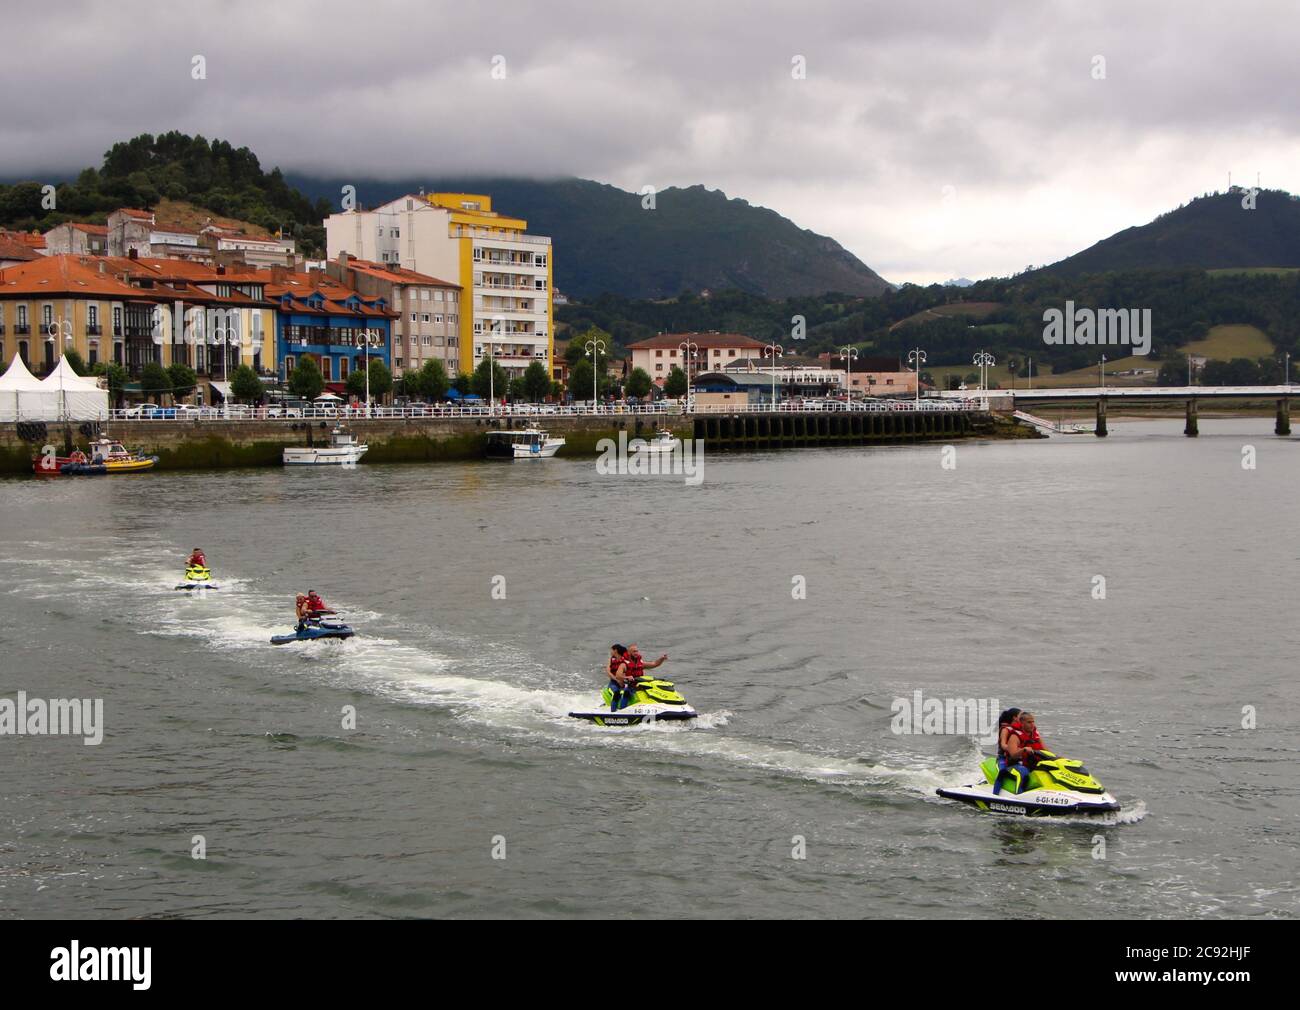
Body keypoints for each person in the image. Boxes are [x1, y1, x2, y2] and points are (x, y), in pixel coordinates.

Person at [992, 707, 1033, 795]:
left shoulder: (1020, 730)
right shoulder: (1005, 729)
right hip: (1003, 758)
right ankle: (995, 795)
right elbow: (1003, 745)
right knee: (1002, 774)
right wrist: (1013, 749)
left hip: (1016, 758)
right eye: (1020, 715)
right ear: (1015, 718)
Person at [607, 644, 632, 711]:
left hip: (624, 683)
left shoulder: (625, 661)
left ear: (615, 650)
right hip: (613, 683)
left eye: (611, 650)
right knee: (616, 693)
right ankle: (613, 712)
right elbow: (608, 672)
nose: (610, 652)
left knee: (627, 692)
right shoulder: (611, 660)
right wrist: (617, 679)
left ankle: (623, 711)